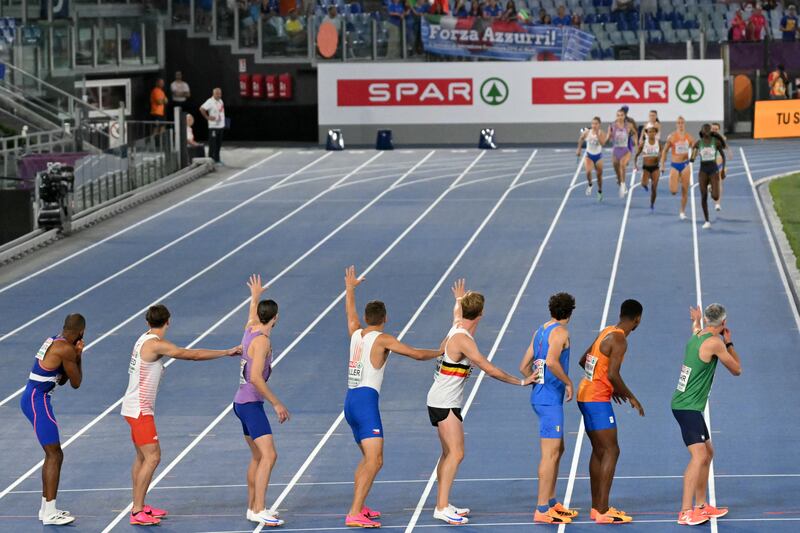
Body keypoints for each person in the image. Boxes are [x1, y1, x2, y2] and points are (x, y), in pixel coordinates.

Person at [428, 279, 538, 525]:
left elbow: (458, 314)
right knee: (456, 453)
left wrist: (458, 300)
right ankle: (441, 506)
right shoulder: (463, 341)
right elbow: (490, 370)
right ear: (481, 314)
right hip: (445, 402)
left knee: (448, 453)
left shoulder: (457, 327)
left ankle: (443, 502)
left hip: (441, 399)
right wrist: (521, 382)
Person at [343, 266, 444, 528]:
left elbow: (350, 314)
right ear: (385, 318)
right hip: (366, 403)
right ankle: (354, 513)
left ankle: (359, 506)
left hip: (350, 401)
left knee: (368, 459)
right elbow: (415, 354)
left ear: (367, 318)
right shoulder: (383, 339)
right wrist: (440, 351)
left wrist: (350, 289)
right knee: (375, 460)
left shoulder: (356, 332)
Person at [121, 305, 240, 526]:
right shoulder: (156, 345)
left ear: (148, 323)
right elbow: (192, 355)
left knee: (142, 458)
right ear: (168, 322)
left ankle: (139, 504)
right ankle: (137, 511)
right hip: (140, 410)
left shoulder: (143, 339)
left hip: (133, 407)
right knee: (153, 457)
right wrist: (226, 352)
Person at [673, 304, 741, 526]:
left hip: (688, 405)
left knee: (708, 452)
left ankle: (701, 506)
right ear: (723, 323)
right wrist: (729, 342)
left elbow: (695, 329)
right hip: (687, 406)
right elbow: (737, 369)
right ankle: (685, 512)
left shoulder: (698, 335)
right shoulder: (715, 343)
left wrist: (696, 320)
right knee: (699, 456)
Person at [577, 299, 645, 524]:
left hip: (585, 395)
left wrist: (609, 385)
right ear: (637, 319)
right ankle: (604, 510)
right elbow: (614, 374)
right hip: (597, 400)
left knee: (599, 450)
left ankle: (597, 508)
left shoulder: (607, 331)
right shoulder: (620, 340)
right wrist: (630, 396)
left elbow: (583, 360)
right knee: (612, 451)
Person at [20, 314, 86, 526]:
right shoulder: (66, 349)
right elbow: (76, 382)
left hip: (32, 397)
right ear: (81, 332)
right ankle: (50, 512)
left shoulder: (54, 340)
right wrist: (79, 355)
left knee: (53, 454)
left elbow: (64, 378)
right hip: (37, 401)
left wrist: (73, 356)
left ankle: (45, 509)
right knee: (54, 454)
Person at [519, 293, 579, 525]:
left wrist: (536, 380)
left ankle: (553, 503)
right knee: (550, 454)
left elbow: (524, 366)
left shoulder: (540, 330)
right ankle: (542, 508)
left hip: (541, 397)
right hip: (549, 401)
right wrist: (568, 382)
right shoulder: (562, 333)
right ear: (570, 312)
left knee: (558, 449)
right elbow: (553, 361)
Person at [235, 275, 288, 527]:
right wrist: (277, 403)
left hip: (241, 403)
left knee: (257, 457)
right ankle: (259, 508)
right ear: (276, 317)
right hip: (251, 404)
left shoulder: (250, 329)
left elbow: (250, 315)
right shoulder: (263, 341)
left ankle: (251, 507)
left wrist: (254, 295)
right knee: (269, 456)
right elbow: (256, 377)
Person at [690, 124, 726, 229]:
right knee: (703, 195)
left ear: (710, 131)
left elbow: (723, 156)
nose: (706, 132)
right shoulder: (698, 143)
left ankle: (711, 188)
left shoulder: (716, 142)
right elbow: (692, 159)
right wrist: (694, 154)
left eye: (707, 130)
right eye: (704, 130)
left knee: (716, 196)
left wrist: (723, 170)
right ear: (702, 131)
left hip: (714, 170)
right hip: (703, 171)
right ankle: (707, 221)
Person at [660, 116, 695, 220]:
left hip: (685, 165)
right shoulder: (671, 137)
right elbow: (664, 151)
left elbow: (695, 149)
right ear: (676, 124)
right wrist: (662, 164)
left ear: (684, 124)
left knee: (685, 190)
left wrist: (692, 159)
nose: (680, 124)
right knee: (674, 191)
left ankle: (682, 212)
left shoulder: (689, 137)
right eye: (678, 123)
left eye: (682, 122)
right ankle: (678, 179)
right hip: (675, 165)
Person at [607, 109, 637, 198]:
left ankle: (623, 185)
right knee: (616, 168)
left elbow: (635, 133)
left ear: (624, 116)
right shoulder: (612, 126)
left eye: (621, 115)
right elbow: (608, 137)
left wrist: (636, 141)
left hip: (625, 150)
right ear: (616, 116)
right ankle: (620, 180)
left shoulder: (629, 125)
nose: (620, 117)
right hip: (616, 151)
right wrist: (607, 138)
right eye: (618, 115)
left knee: (623, 165)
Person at [576, 117, 608, 201]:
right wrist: (579, 149)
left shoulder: (602, 133)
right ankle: (590, 184)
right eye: (593, 123)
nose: (594, 125)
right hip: (589, 155)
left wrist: (597, 135)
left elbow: (603, 143)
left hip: (598, 156)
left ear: (599, 124)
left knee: (599, 176)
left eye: (596, 124)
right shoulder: (587, 132)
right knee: (588, 171)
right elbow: (581, 139)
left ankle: (600, 191)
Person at [634, 123, 662, 211]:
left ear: (655, 133)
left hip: (655, 168)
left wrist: (660, 159)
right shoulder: (643, 144)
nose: (651, 133)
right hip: (646, 168)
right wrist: (635, 165)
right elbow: (636, 155)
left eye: (653, 132)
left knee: (654, 187)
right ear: (647, 133)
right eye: (649, 132)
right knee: (643, 184)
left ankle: (652, 203)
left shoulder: (658, 143)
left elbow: (663, 154)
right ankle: (645, 185)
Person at [199, 87, 225, 164]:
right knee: (212, 144)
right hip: (213, 127)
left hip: (221, 126)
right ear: (213, 94)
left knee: (218, 144)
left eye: (220, 93)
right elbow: (201, 109)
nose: (219, 95)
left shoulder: (221, 101)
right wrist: (207, 117)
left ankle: (217, 159)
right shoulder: (210, 101)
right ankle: (210, 160)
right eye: (217, 94)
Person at [710, 123, 729, 212]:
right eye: (713, 129)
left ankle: (717, 204)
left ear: (718, 130)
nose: (714, 130)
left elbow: (726, 147)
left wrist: (729, 152)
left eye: (716, 129)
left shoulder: (722, 138)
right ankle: (709, 185)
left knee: (719, 183)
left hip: (719, 165)